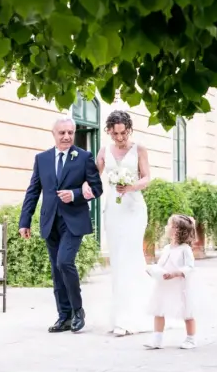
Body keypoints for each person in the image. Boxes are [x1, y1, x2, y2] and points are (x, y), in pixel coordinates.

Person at [19, 116, 103, 334]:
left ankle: (78, 311)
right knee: (57, 270)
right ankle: (63, 316)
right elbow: (33, 191)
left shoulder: (84, 157)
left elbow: (96, 188)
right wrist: (24, 221)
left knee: (65, 262)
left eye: (70, 133)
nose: (67, 136)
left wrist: (75, 194)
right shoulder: (42, 159)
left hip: (74, 221)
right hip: (49, 221)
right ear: (54, 134)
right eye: (62, 133)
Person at [83, 110, 152, 336]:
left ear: (129, 129)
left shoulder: (139, 149)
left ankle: (134, 316)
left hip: (134, 208)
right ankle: (121, 316)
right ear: (109, 131)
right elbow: (94, 176)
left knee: (131, 258)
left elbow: (146, 178)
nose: (120, 138)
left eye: (123, 133)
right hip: (113, 208)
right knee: (118, 260)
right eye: (115, 134)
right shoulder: (104, 151)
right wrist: (85, 187)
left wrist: (130, 187)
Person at [144, 214, 198, 350]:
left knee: (187, 311)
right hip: (165, 284)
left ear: (177, 230)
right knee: (159, 309)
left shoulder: (185, 249)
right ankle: (157, 339)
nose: (166, 227)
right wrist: (155, 271)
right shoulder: (167, 248)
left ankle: (191, 338)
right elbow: (163, 263)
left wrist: (176, 273)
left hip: (180, 285)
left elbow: (190, 267)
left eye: (169, 225)